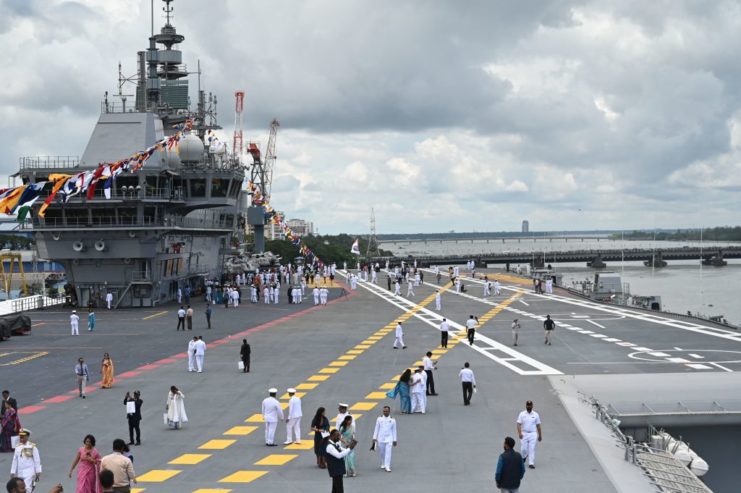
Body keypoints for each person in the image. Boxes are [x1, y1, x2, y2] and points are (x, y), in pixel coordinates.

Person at [325, 429, 356, 493]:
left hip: (338, 470)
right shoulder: (330, 446)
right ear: (332, 436)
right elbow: (339, 455)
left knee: (335, 489)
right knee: (340, 489)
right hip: (335, 470)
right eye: (338, 436)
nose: (339, 438)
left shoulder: (336, 444)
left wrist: (350, 447)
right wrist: (350, 448)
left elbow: (345, 451)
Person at [517, 400, 542, 469]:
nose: (529, 406)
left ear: (532, 406)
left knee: (532, 448)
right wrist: (519, 433)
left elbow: (538, 426)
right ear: (526, 406)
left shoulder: (536, 414)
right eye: (528, 405)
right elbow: (518, 424)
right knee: (523, 449)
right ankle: (524, 456)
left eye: (530, 405)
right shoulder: (522, 414)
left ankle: (531, 463)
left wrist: (540, 435)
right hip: (524, 433)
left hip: (533, 434)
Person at [372, 406, 397, 472]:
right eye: (384, 411)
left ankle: (387, 466)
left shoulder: (392, 420)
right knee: (382, 452)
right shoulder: (379, 419)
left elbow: (394, 430)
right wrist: (374, 438)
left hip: (389, 438)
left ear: (389, 411)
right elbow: (376, 428)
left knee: (388, 452)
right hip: (381, 438)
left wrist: (395, 440)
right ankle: (383, 462)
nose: (385, 412)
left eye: (386, 411)